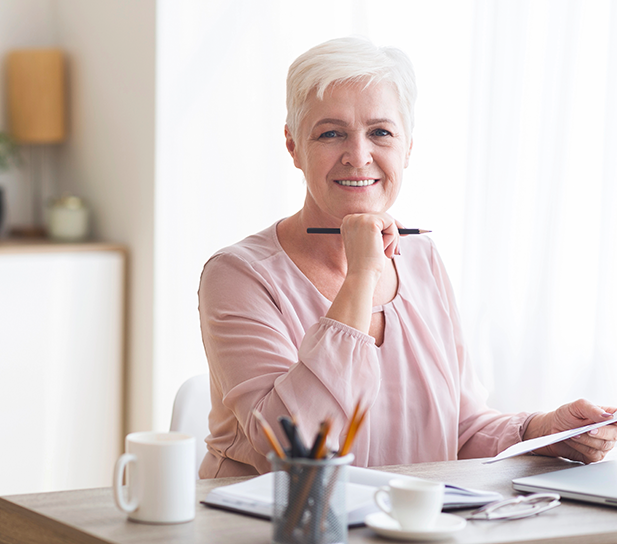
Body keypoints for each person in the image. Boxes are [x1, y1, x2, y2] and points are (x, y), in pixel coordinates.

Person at [197, 36, 617, 479]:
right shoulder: (238, 275)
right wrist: (361, 275)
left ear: (408, 147)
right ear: (293, 146)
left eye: (380, 132)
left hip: (409, 534)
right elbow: (293, 449)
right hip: (280, 537)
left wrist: (544, 430)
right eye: (331, 133)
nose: (358, 157)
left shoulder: (422, 258)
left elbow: (462, 430)